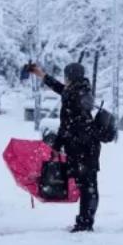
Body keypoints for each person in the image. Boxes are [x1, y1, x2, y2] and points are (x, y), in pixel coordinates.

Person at [29, 62, 101, 232]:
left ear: (71, 76)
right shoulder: (81, 90)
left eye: (66, 76)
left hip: (81, 147)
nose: (64, 79)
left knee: (87, 186)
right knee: (89, 184)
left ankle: (85, 223)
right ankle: (86, 220)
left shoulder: (73, 95)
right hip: (89, 146)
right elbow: (60, 89)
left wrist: (56, 145)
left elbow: (67, 126)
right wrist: (42, 75)